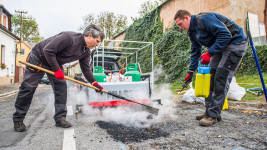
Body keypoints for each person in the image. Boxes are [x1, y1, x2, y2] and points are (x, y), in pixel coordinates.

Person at [13, 24, 105, 132]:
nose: (97, 44)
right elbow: (48, 50)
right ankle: (18, 119)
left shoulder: (86, 51)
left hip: (54, 62)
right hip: (39, 58)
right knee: (28, 88)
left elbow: (86, 69)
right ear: (90, 36)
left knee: (61, 87)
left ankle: (60, 118)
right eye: (97, 41)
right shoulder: (68, 38)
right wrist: (57, 70)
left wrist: (94, 83)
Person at [174, 10, 247, 126]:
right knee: (210, 78)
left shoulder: (204, 19)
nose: (180, 28)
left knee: (221, 78)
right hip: (219, 47)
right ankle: (209, 112)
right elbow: (195, 51)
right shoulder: (192, 32)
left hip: (235, 43)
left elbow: (225, 35)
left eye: (180, 24)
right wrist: (191, 71)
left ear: (187, 18)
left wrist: (209, 53)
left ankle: (213, 115)